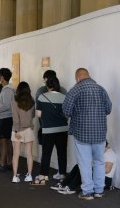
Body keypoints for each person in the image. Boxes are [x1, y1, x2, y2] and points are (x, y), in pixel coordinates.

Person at [62, 68, 112, 200]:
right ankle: (99, 190)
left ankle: (87, 192)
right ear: (88, 76)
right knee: (99, 162)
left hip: (82, 133)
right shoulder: (101, 89)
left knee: (84, 162)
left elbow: (66, 111)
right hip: (100, 133)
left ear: (77, 78)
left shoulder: (75, 90)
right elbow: (108, 109)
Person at [31, 77, 68, 185]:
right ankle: (62, 174)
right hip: (63, 129)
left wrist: (48, 116)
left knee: (46, 153)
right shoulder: (64, 97)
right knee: (62, 153)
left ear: (47, 86)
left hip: (48, 129)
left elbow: (38, 114)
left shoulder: (42, 97)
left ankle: (43, 176)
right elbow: (67, 114)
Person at [51, 142, 117, 196]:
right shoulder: (102, 152)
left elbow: (107, 170)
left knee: (83, 170)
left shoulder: (110, 154)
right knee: (78, 166)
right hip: (99, 177)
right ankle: (63, 184)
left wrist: (92, 169)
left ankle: (71, 188)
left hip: (105, 180)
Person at [11, 82, 35, 183]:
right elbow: (33, 115)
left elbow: (15, 117)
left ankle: (15, 176)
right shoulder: (32, 100)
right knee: (29, 154)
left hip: (17, 130)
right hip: (29, 129)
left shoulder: (14, 100)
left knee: (16, 154)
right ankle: (29, 175)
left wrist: (16, 129)